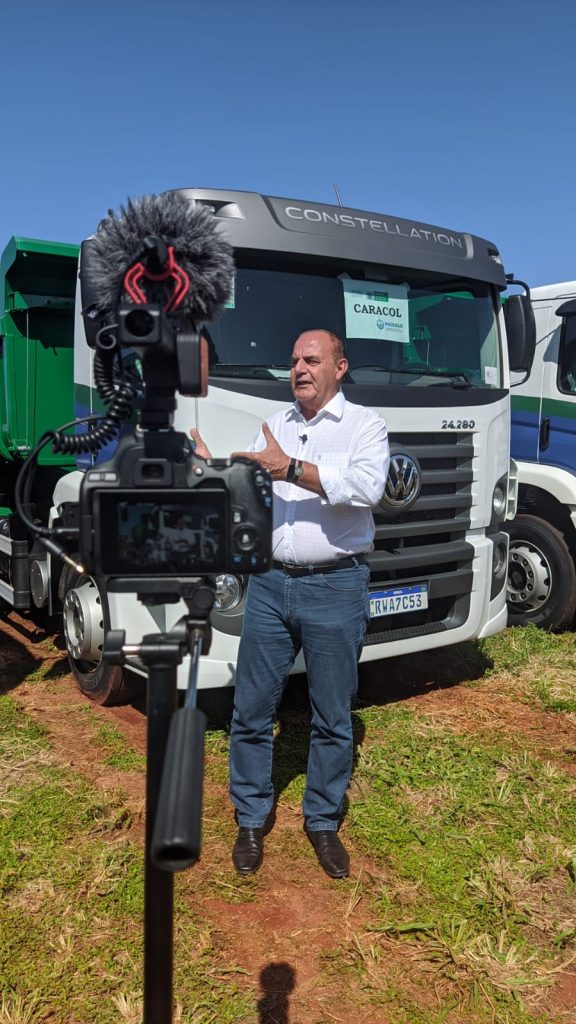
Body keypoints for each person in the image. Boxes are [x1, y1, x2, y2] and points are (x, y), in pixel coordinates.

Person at [190, 329, 389, 878]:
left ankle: (322, 821)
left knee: (331, 716)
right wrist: (210, 470)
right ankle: (251, 818)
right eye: (294, 359)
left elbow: (367, 489)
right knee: (251, 711)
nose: (299, 368)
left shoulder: (365, 426)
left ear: (340, 366)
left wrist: (292, 470)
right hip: (272, 586)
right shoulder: (275, 426)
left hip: (336, 587)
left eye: (312, 359)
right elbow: (253, 489)